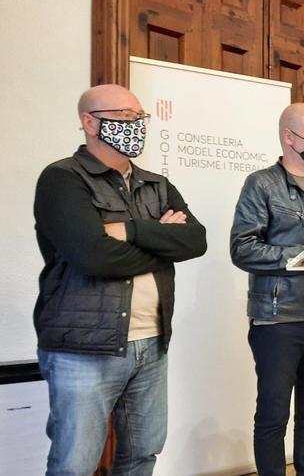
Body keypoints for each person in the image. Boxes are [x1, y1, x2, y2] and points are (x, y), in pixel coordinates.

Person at [33, 84, 207, 475]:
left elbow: (196, 240)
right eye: (124, 116)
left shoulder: (156, 184)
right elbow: (94, 257)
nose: (136, 125)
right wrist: (162, 241)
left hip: (152, 342)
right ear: (89, 122)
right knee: (74, 463)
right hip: (83, 346)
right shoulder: (62, 179)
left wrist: (129, 230)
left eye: (139, 117)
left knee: (143, 453)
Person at [230, 103, 304, 476]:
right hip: (278, 319)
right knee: (273, 414)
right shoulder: (262, 184)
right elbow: (242, 248)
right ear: (288, 136)